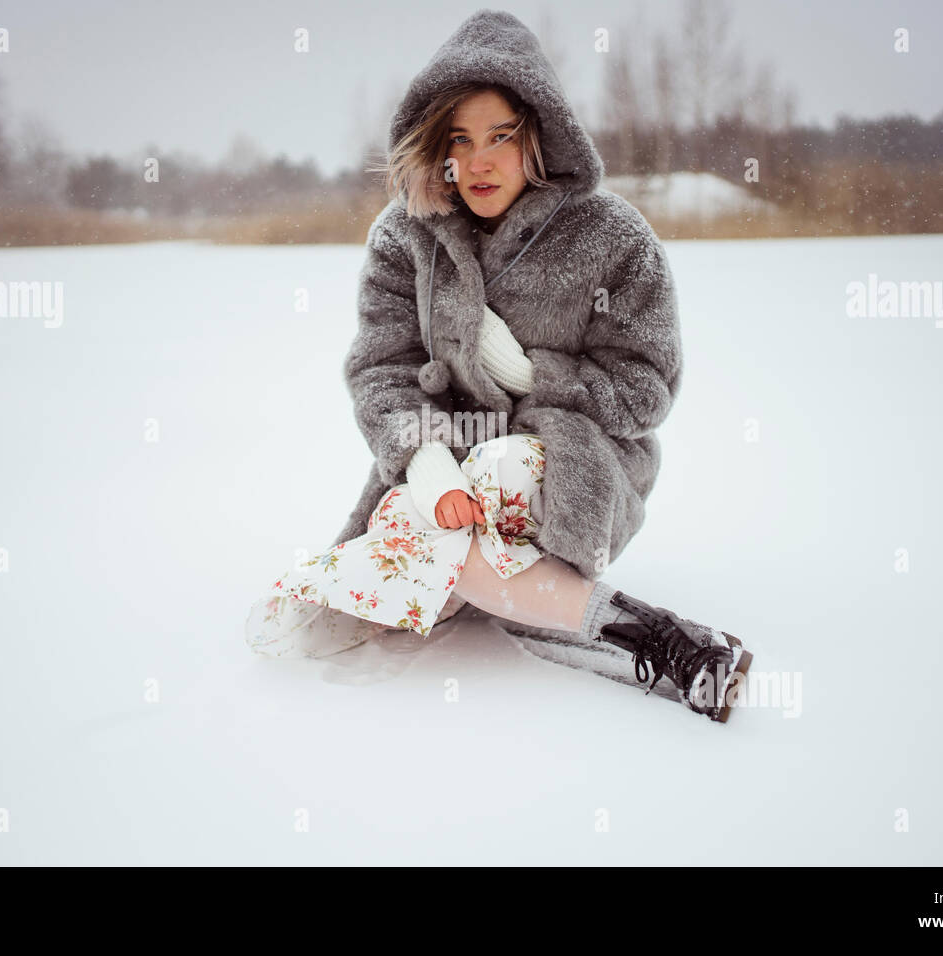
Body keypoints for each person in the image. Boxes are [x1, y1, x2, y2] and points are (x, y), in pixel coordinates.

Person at [244, 9, 752, 720]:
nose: (478, 161)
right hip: (449, 465)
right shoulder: (405, 236)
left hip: (580, 469)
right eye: (459, 139)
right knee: (325, 603)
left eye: (499, 138)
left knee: (474, 495)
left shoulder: (612, 238)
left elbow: (646, 388)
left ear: (538, 136)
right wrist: (423, 463)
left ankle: (553, 599)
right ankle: (660, 641)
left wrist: (531, 378)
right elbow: (381, 368)